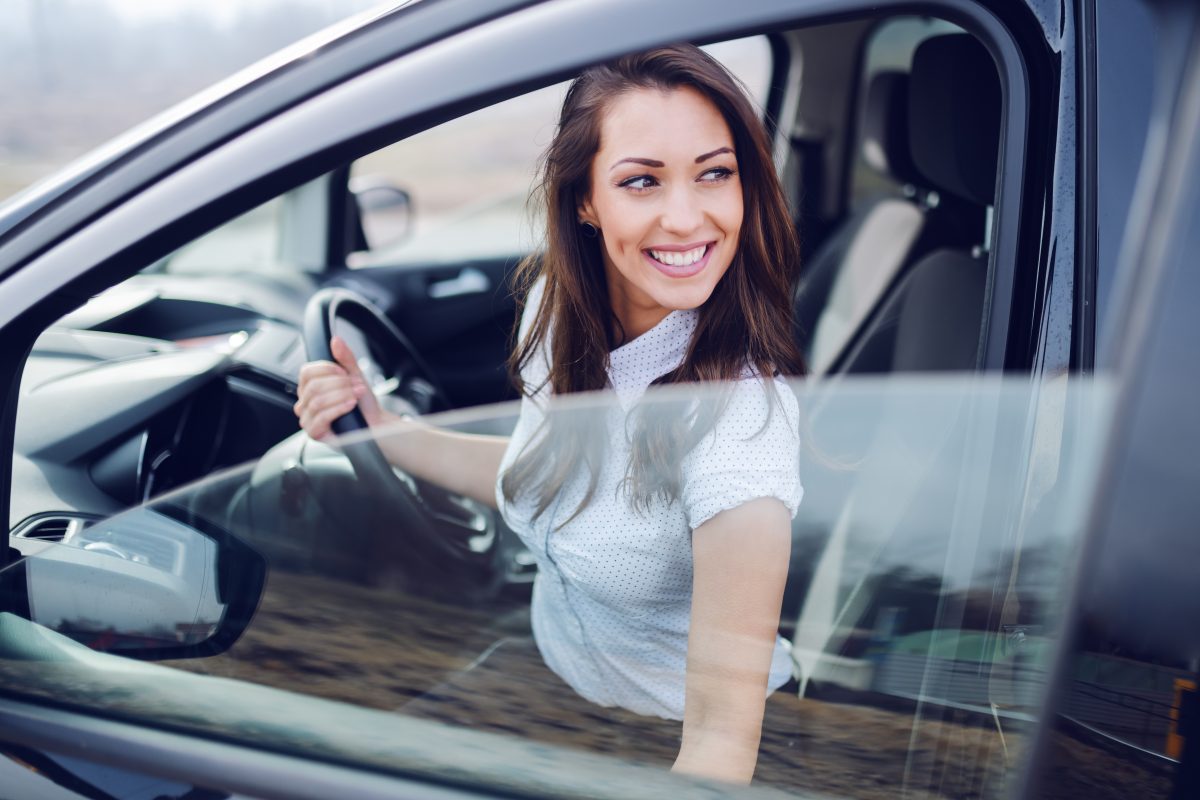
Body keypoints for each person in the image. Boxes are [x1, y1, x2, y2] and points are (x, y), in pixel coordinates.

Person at [293, 44, 804, 785]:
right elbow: (539, 475)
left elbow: (721, 743)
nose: (687, 217)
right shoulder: (559, 313)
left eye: (715, 173)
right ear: (585, 201)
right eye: (641, 182)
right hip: (558, 678)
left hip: (666, 747)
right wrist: (382, 431)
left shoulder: (739, 429)